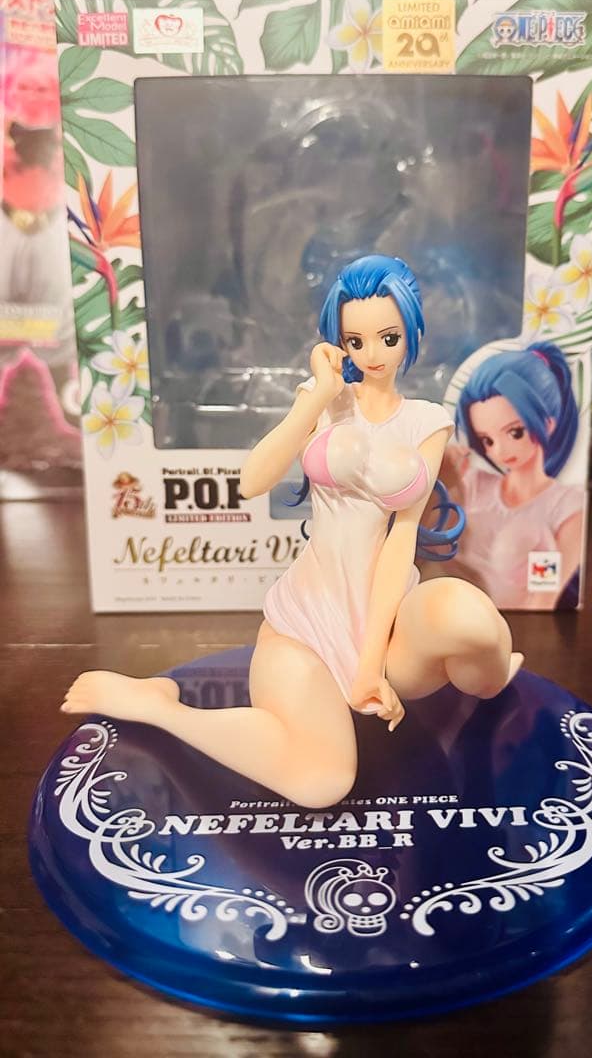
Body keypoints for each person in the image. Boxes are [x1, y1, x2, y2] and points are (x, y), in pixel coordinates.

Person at [62, 256, 521, 808]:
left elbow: (401, 541)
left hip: (388, 626)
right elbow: (253, 480)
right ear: (339, 342)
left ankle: (496, 676)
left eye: (388, 337)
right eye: (355, 341)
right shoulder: (326, 400)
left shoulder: (427, 422)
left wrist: (369, 667)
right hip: (306, 626)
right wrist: (319, 395)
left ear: (411, 331)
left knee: (471, 621)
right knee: (321, 783)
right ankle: (162, 708)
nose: (372, 354)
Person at [431, 342, 583, 610]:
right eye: (487, 440)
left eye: (515, 432)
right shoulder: (473, 483)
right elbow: (432, 547)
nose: (499, 451)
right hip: (452, 610)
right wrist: (444, 474)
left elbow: (545, 598)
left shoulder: (567, 508)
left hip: (518, 620)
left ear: (547, 423)